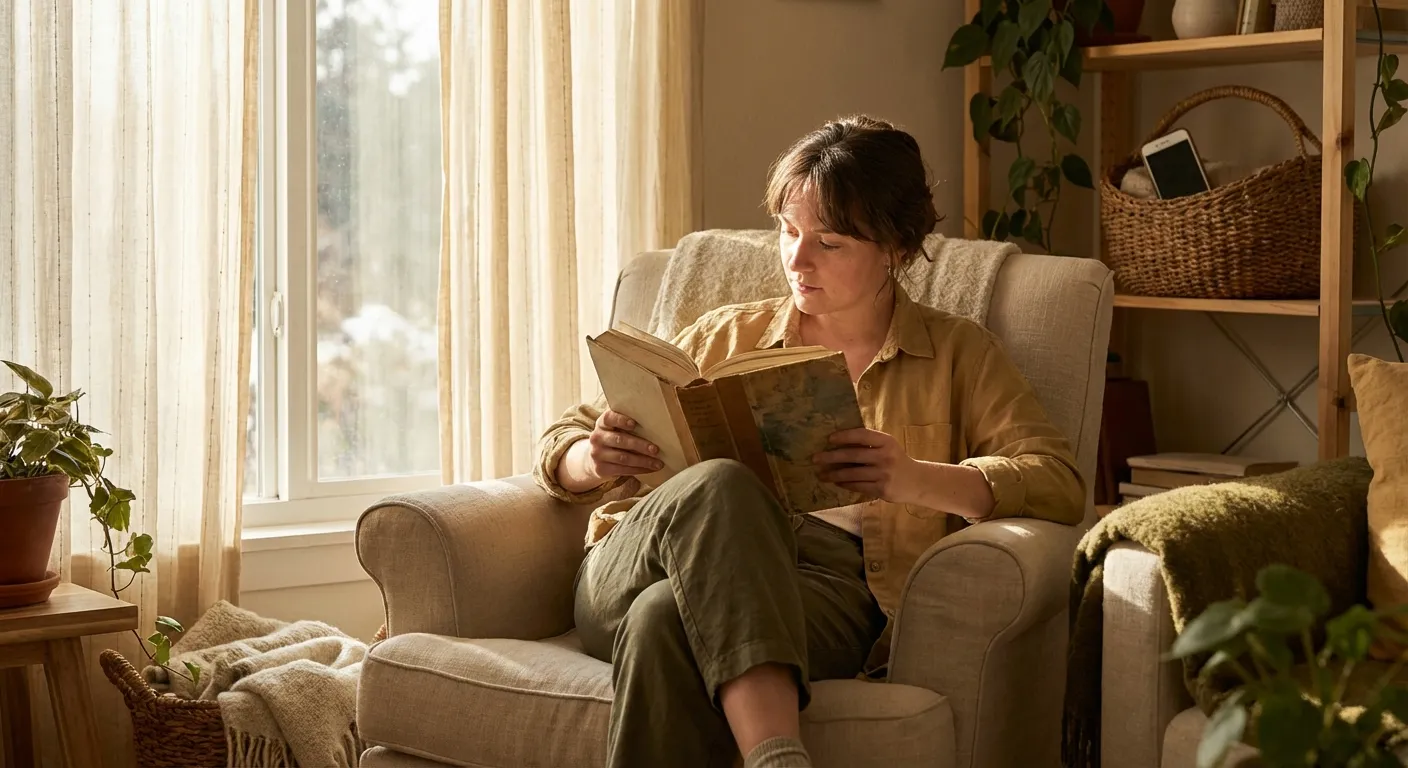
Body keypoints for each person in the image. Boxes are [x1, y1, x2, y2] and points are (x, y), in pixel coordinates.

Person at [531, 114, 1085, 768]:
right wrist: (588, 458)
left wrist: (915, 478)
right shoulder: (722, 337)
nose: (796, 260)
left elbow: (1056, 481)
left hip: (828, 590)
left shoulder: (957, 353)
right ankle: (778, 757)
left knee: (664, 624)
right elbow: (562, 437)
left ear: (897, 248)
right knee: (724, 485)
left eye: (829, 242)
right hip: (639, 562)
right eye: (788, 233)